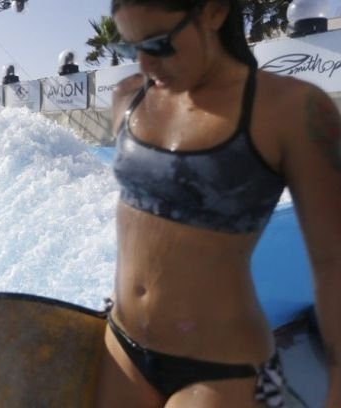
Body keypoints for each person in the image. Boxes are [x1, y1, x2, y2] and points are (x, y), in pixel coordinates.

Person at [97, 0, 341, 407]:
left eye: (158, 43)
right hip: (122, 345)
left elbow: (333, 261)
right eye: (130, 47)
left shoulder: (291, 109)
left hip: (218, 367)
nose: (143, 63)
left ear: (213, 12)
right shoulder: (128, 97)